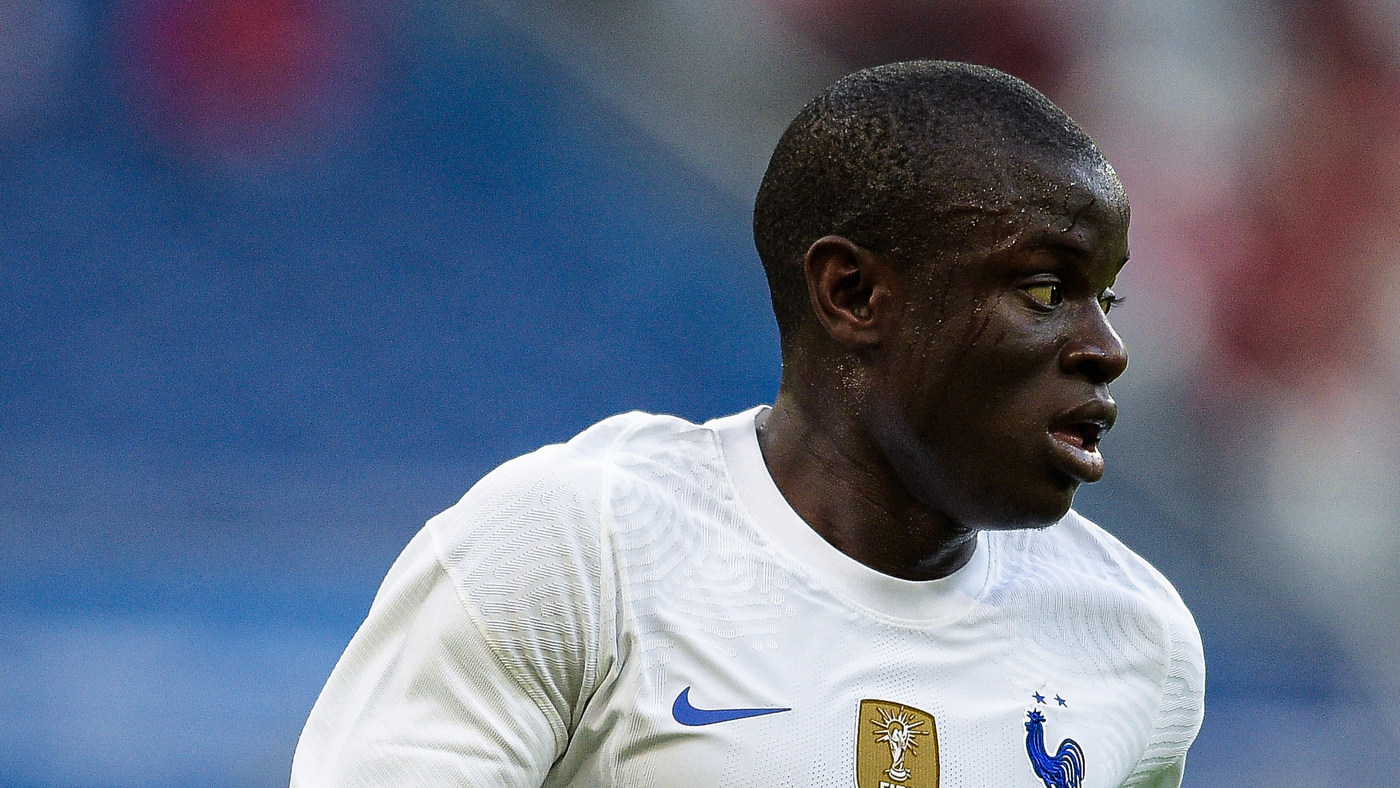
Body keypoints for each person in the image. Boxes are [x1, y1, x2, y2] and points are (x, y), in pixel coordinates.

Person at [291, 60, 1205, 788]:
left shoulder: (1137, 640)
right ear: (854, 293)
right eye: (1045, 290)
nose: (1107, 348)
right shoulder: (578, 550)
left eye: (1106, 298)